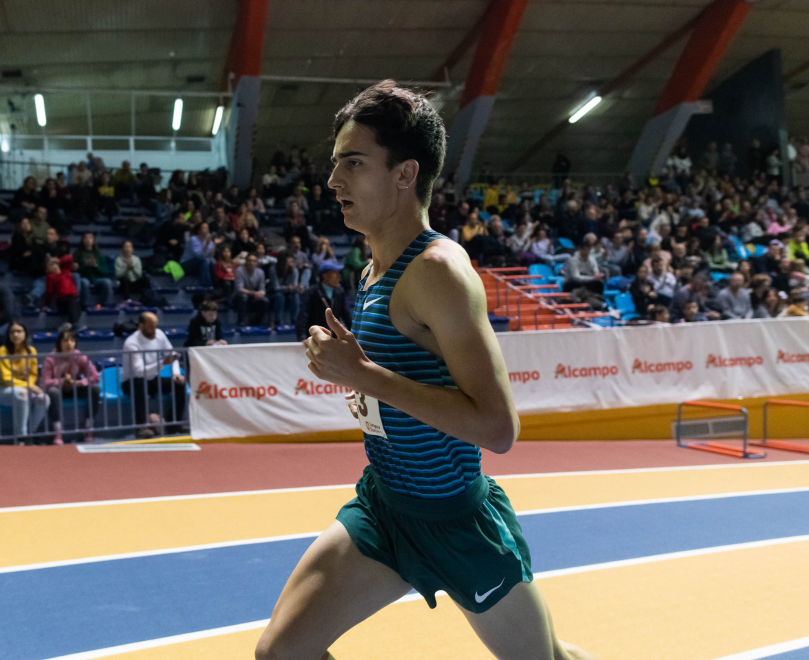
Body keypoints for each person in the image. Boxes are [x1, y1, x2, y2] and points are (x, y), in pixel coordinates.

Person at [256, 81, 595, 660]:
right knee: (281, 653)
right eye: (336, 164)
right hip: (386, 506)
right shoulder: (371, 269)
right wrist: (352, 367)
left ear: (405, 174)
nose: (334, 181)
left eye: (353, 164)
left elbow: (497, 428)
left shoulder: (438, 272)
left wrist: (362, 375)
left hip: (456, 521)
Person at [121, 312, 186, 439]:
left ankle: (174, 424)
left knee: (179, 384)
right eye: (151, 326)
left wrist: (176, 373)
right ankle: (141, 428)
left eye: (155, 326)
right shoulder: (132, 343)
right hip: (131, 382)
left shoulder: (160, 334)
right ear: (141, 326)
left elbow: (172, 355)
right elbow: (139, 371)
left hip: (152, 379)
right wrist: (162, 363)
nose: (154, 330)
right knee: (139, 384)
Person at [0, 321, 50, 442]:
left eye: (19, 331)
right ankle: (21, 437)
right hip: (3, 390)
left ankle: (31, 433)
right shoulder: (3, 351)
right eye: (12, 332)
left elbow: (33, 374)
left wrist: (29, 386)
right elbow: (6, 378)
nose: (15, 334)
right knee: (22, 394)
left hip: (24, 389)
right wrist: (28, 386)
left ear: (25, 334)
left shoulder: (31, 351)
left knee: (44, 399)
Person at [42, 326, 100, 444]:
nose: (69, 344)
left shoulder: (79, 357)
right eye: (65, 341)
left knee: (95, 389)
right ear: (59, 343)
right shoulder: (50, 359)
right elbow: (45, 382)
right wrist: (61, 381)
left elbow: (95, 377)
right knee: (53, 392)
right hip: (58, 391)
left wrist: (79, 383)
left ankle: (88, 426)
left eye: (72, 341)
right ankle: (57, 430)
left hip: (75, 388)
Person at [297, 260, 350, 341]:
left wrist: (355, 336)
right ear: (325, 275)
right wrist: (302, 337)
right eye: (335, 272)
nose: (338, 276)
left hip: (334, 339)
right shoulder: (312, 292)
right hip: (316, 338)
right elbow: (303, 315)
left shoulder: (340, 292)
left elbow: (346, 315)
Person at [73, 232, 114, 306]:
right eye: (86, 237)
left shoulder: (99, 254)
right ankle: (84, 305)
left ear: (93, 240)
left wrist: (96, 266)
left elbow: (105, 271)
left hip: (97, 279)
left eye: (90, 237)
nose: (88, 239)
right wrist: (85, 266)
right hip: (84, 277)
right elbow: (76, 271)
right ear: (82, 240)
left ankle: (104, 305)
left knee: (107, 282)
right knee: (84, 282)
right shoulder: (77, 254)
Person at [44, 255, 82, 326]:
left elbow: (70, 258)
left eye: (55, 264)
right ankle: (72, 325)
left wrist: (58, 260)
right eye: (51, 265)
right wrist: (47, 304)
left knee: (75, 302)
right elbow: (49, 292)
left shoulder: (66, 271)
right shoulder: (50, 276)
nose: (54, 266)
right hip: (62, 300)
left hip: (72, 298)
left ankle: (71, 324)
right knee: (73, 302)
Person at [234, 253, 268, 326]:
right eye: (249, 261)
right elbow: (239, 289)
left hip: (253, 297)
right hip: (239, 298)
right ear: (246, 262)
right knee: (243, 297)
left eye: (254, 261)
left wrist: (260, 294)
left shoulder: (261, 272)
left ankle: (256, 323)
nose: (251, 263)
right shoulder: (239, 270)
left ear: (256, 263)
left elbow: (262, 289)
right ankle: (241, 323)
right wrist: (254, 293)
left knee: (265, 301)